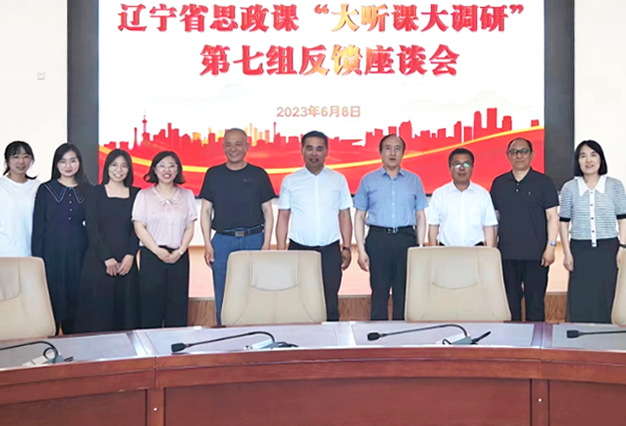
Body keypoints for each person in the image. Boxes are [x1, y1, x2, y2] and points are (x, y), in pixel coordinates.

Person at [199, 128, 275, 325]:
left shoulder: (258, 174)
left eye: (238, 144)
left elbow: (268, 211)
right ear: (223, 147)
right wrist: (207, 243)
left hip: (254, 239)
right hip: (222, 241)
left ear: (247, 147)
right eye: (229, 145)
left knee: (255, 292)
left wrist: (266, 243)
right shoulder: (213, 174)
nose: (233, 149)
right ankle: (225, 333)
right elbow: (206, 211)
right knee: (223, 294)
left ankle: (256, 334)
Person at [276, 130, 353, 321]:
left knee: (330, 304)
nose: (314, 153)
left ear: (327, 152)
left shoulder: (338, 179)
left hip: (330, 251)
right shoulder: (290, 181)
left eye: (319, 149)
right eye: (309, 148)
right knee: (298, 304)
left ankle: (332, 340)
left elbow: (344, 215)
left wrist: (347, 247)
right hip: (299, 251)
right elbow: (283, 217)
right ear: (302, 151)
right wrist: (280, 251)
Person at [354, 134, 427, 321]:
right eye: (387, 148)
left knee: (403, 293)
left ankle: (401, 334)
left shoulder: (414, 180)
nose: (392, 153)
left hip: (405, 239)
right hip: (378, 239)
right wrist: (361, 250)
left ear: (403, 153)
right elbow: (359, 216)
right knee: (379, 292)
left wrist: (420, 247)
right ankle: (377, 334)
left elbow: (420, 216)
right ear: (380, 152)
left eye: (397, 149)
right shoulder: (368, 180)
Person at [490, 138, 559, 322]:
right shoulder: (499, 183)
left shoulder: (544, 182)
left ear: (532, 155)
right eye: (514, 152)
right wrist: (492, 250)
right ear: (508, 156)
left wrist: (551, 247)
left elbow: (552, 217)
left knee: (535, 306)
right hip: (507, 255)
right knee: (509, 306)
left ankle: (536, 341)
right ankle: (511, 341)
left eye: (523, 151)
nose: (519, 156)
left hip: (537, 256)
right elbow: (494, 221)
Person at [559, 140, 626, 323]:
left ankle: (607, 337)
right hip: (580, 250)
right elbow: (563, 223)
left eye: (593, 155)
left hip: (608, 248)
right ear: (577, 161)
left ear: (601, 159)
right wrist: (567, 253)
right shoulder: (569, 188)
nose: (588, 160)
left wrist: (622, 247)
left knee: (608, 294)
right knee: (581, 297)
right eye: (583, 156)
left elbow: (623, 219)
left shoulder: (614, 186)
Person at [75, 149, 140, 332]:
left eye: (124, 166)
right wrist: (107, 257)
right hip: (98, 259)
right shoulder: (95, 192)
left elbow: (138, 228)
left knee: (126, 313)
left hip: (126, 262)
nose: (119, 170)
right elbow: (92, 227)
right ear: (107, 167)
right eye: (114, 165)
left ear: (129, 169)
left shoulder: (137, 193)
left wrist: (130, 255)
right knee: (98, 313)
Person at [132, 151, 197, 328]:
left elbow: (190, 227)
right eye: (162, 166)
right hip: (152, 256)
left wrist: (180, 251)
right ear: (154, 169)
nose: (166, 170)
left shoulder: (187, 195)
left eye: (171, 166)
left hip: (179, 256)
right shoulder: (144, 196)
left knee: (177, 307)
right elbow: (139, 227)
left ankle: (175, 345)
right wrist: (157, 250)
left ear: (178, 170)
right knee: (150, 307)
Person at [32, 143, 91, 334]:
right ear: (56, 164)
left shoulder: (89, 190)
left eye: (73, 161)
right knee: (53, 297)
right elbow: (38, 226)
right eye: (63, 161)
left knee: (77, 297)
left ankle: (73, 342)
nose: (68, 166)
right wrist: (38, 259)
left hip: (79, 249)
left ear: (79, 163)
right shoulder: (46, 189)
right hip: (52, 250)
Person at [428, 148, 498, 247]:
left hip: (476, 251)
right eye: (457, 164)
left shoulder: (483, 194)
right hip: (446, 251)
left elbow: (489, 227)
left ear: (472, 168)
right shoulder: (439, 194)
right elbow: (433, 226)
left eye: (466, 164)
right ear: (450, 168)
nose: (462, 168)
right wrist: (432, 252)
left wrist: (489, 252)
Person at [0, 141, 40, 257]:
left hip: (32, 252)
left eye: (26, 156)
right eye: (16, 157)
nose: (21, 161)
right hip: (5, 252)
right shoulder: (2, 186)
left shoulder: (37, 186)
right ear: (7, 160)